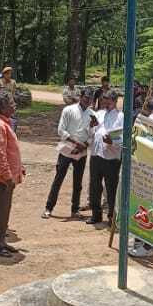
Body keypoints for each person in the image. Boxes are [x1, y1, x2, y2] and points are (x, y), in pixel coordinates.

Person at [43, 89, 94, 219]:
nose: (87, 100)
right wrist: (76, 142)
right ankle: (49, 208)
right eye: (85, 97)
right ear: (81, 97)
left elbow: (93, 134)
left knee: (78, 182)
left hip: (81, 151)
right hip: (67, 149)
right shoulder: (68, 110)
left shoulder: (92, 114)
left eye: (90, 98)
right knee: (58, 179)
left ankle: (74, 209)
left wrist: (85, 145)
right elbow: (61, 130)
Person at [0, 92, 23, 257]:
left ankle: (1, 242)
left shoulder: (5, 124)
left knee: (3, 213)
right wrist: (8, 177)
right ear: (2, 106)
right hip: (0, 179)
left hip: (7, 178)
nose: (14, 105)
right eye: (11, 103)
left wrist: (18, 168)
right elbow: (0, 156)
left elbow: (10, 152)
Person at [86, 91, 123, 225]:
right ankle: (96, 215)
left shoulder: (121, 117)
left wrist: (112, 142)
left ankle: (112, 217)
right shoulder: (99, 114)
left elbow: (123, 139)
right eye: (104, 101)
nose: (105, 103)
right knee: (95, 186)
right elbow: (92, 133)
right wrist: (91, 127)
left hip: (111, 157)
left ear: (115, 101)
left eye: (108, 101)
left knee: (111, 188)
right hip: (96, 155)